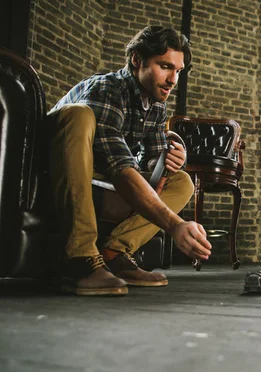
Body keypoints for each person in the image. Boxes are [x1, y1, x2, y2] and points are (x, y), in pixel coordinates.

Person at [48, 26, 212, 296]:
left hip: (103, 179)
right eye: (165, 66)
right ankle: (80, 258)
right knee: (79, 115)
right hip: (62, 172)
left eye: (178, 71)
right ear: (138, 60)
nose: (173, 79)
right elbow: (120, 167)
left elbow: (151, 164)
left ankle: (114, 252)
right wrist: (174, 224)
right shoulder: (107, 89)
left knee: (181, 182)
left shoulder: (157, 106)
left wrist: (170, 159)